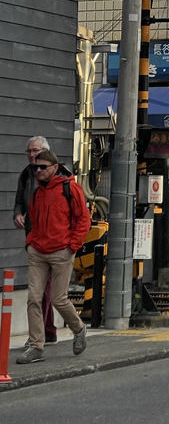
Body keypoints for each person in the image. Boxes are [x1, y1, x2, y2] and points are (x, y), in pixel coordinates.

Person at [16, 149, 91, 365]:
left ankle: (78, 328)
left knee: (59, 299)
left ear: (54, 167)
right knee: (34, 298)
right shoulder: (38, 192)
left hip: (61, 251)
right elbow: (34, 220)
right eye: (35, 167)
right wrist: (30, 242)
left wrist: (72, 246)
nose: (37, 171)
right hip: (38, 251)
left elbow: (83, 220)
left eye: (42, 167)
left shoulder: (70, 188)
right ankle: (36, 346)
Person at [13, 136, 72, 345]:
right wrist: (18, 214)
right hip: (35, 240)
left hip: (58, 244)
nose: (31, 155)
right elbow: (20, 199)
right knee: (35, 294)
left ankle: (51, 331)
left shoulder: (63, 177)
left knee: (51, 294)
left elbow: (80, 215)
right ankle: (42, 336)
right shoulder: (26, 174)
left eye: (35, 151)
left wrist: (72, 244)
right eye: (28, 151)